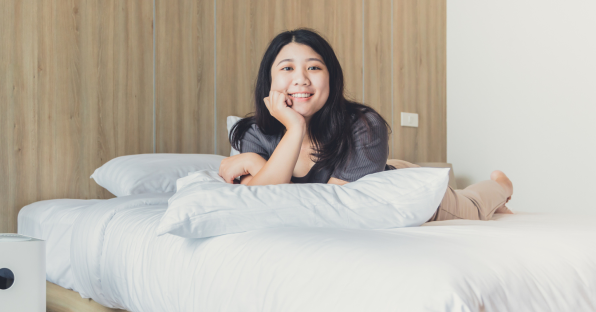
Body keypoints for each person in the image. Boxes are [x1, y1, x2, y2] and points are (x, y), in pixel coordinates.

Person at [219, 28, 513, 221]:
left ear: (331, 79)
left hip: (398, 186)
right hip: (370, 170)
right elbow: (258, 204)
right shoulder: (253, 133)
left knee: (472, 207)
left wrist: (265, 161)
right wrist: (288, 134)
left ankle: (500, 186)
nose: (301, 79)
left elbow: (330, 208)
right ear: (268, 81)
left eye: (314, 67)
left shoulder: (363, 124)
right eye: (287, 68)